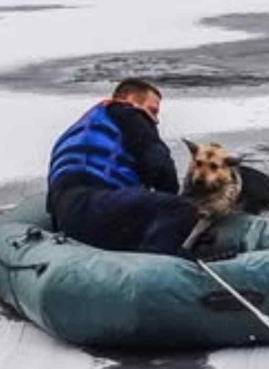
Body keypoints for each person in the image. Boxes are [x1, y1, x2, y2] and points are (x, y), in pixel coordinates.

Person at [47, 78, 198, 257]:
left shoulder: (77, 130)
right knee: (180, 209)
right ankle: (153, 266)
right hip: (96, 205)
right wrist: (171, 198)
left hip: (66, 217)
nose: (156, 120)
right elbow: (160, 165)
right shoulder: (128, 113)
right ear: (130, 99)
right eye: (153, 110)